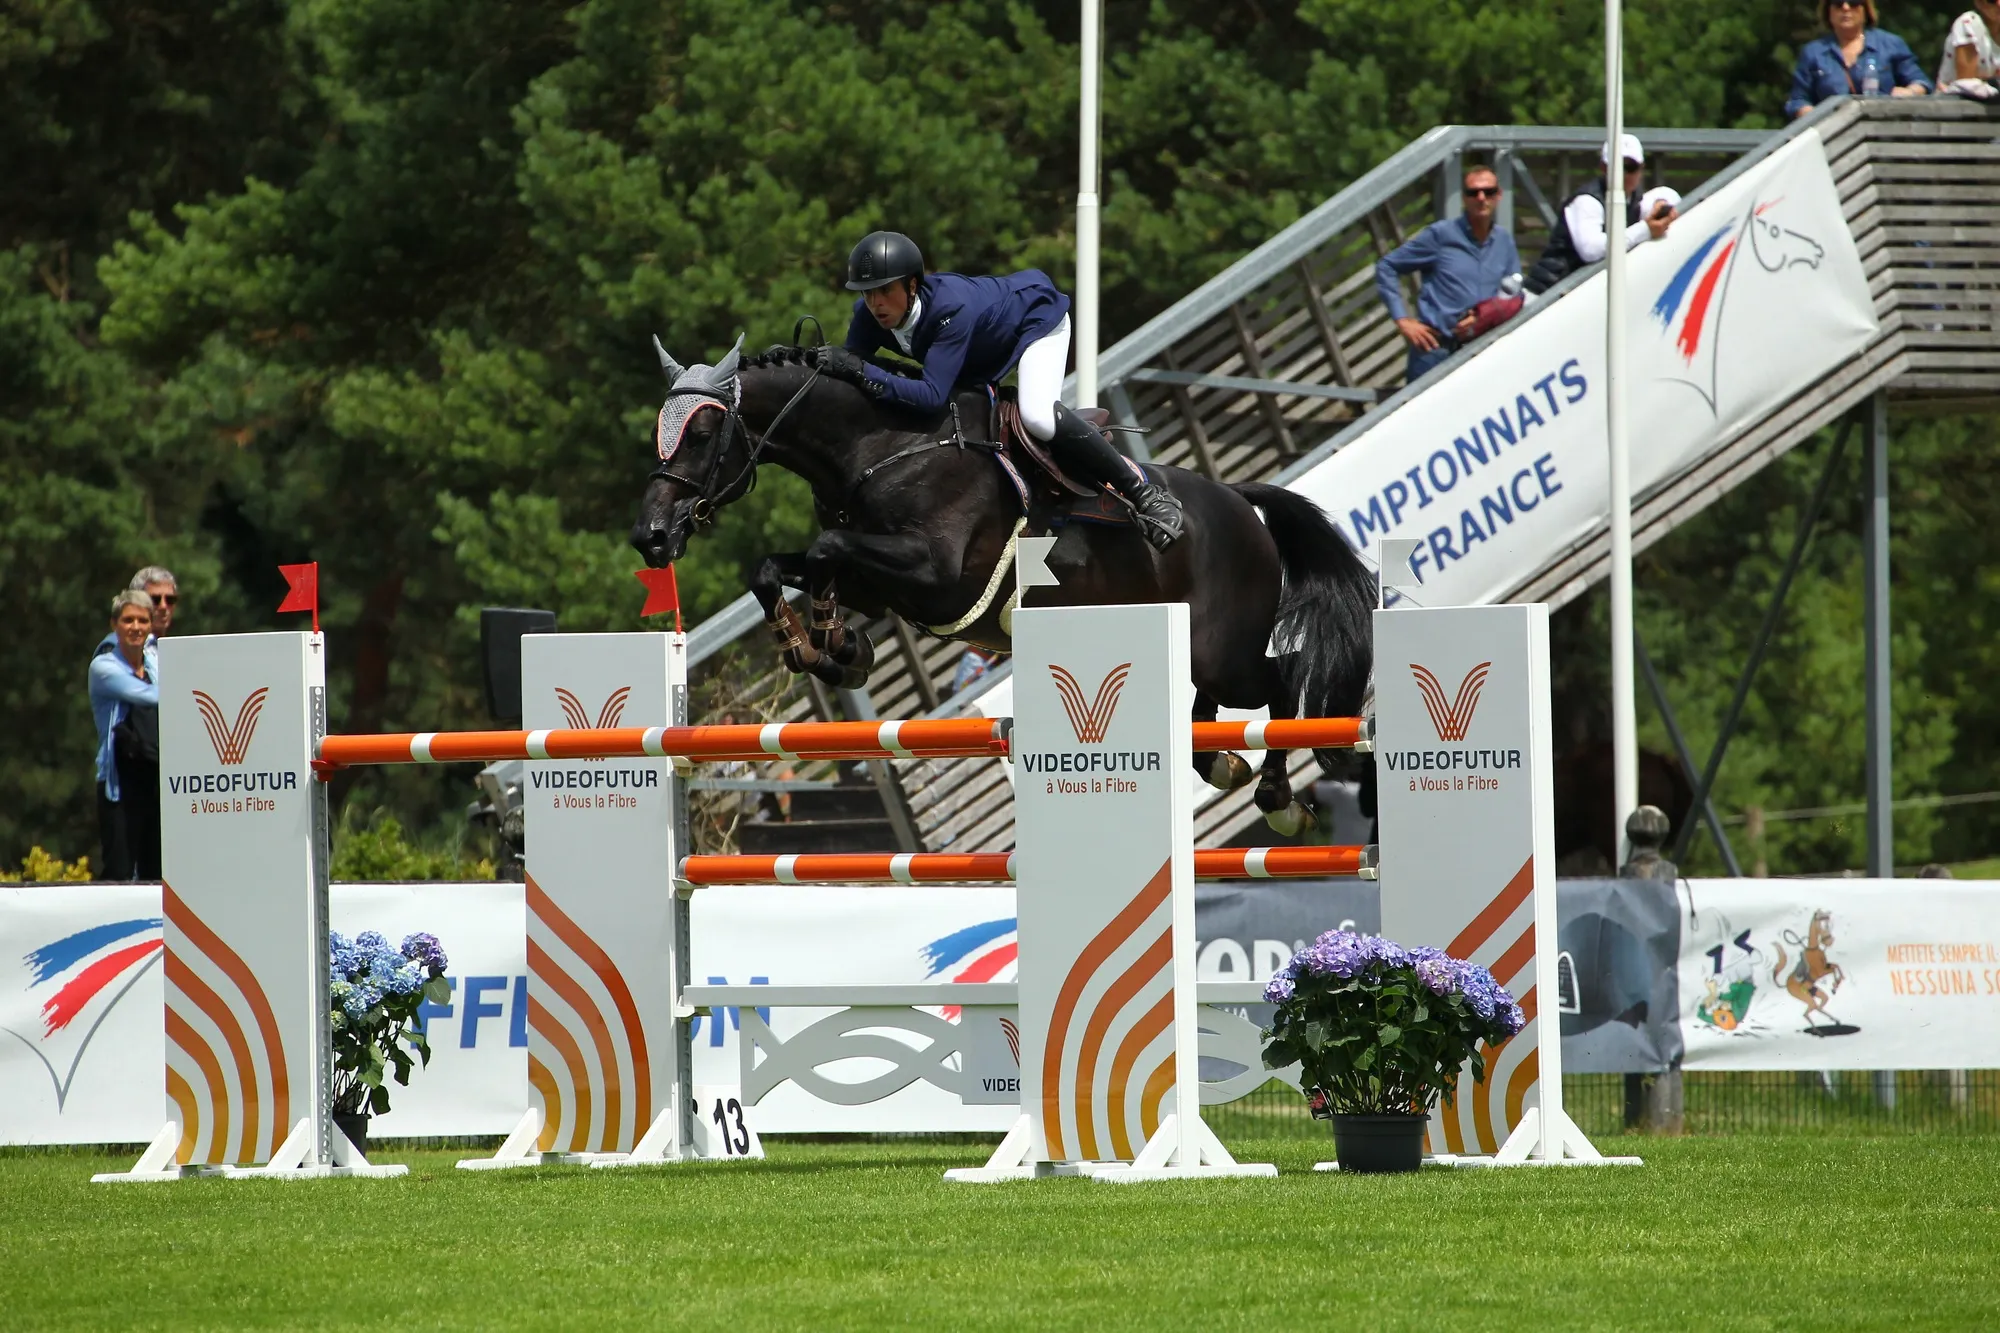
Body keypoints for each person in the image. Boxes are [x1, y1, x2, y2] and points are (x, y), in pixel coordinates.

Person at [810, 231, 1185, 550]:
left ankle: (1143, 493)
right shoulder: (869, 316)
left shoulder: (949, 310)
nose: (875, 304)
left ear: (911, 285)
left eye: (884, 291)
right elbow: (850, 366)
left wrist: (858, 369)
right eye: (867, 294)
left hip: (1036, 321)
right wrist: (803, 361)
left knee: (1036, 417)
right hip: (976, 356)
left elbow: (929, 397)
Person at [1374, 165, 1521, 383]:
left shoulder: (1504, 241)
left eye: (1488, 192)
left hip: (1482, 351)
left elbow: (1514, 291)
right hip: (1435, 351)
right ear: (1464, 198)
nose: (1481, 198)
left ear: (1498, 196)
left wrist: (1485, 315)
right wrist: (1403, 320)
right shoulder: (1441, 235)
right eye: (1473, 192)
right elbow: (1387, 266)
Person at [1523, 135, 1679, 296]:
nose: (1623, 174)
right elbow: (1591, 250)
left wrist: (1661, 203)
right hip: (1545, 295)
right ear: (1604, 168)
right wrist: (1645, 230)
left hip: (1572, 296)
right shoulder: (1587, 201)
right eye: (1617, 167)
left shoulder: (1634, 199)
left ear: (1641, 168)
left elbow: (1668, 194)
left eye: (1631, 167)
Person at [90, 590, 162, 880]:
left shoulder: (154, 662)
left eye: (143, 620)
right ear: (114, 625)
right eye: (128, 620)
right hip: (119, 785)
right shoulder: (104, 667)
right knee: (119, 871)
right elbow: (148, 696)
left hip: (153, 777)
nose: (136, 627)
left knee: (155, 871)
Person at [1785, 1, 1931, 119]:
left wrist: (1909, 92)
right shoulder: (1813, 52)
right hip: (1832, 134)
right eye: (1838, 3)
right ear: (1828, 11)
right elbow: (1798, 100)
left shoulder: (1890, 44)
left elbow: (1922, 83)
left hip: (1885, 131)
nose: (1846, 7)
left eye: (1854, 2)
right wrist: (1813, 116)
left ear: (1866, 10)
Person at [1936, 2, 2000, 91]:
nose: (1999, 4)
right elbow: (1967, 86)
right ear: (1979, 3)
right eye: (1992, 0)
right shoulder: (1968, 24)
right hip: (1955, 102)